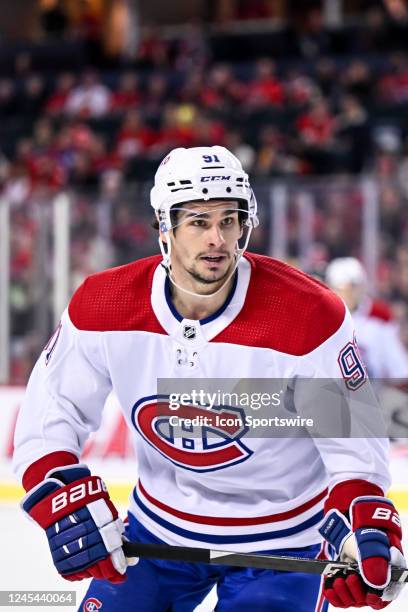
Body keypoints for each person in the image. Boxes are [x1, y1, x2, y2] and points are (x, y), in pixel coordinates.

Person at [13, 147, 406, 611]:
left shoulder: (307, 316)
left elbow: (353, 451)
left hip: (284, 544)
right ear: (166, 227)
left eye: (229, 220)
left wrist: (364, 527)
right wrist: (61, 492)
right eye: (199, 222)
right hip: (156, 533)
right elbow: (52, 412)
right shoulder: (104, 306)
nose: (217, 238)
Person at [325, 257, 408, 380]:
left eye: (352, 288)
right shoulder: (322, 321)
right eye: (340, 289)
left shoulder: (379, 318)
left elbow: (399, 369)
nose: (346, 295)